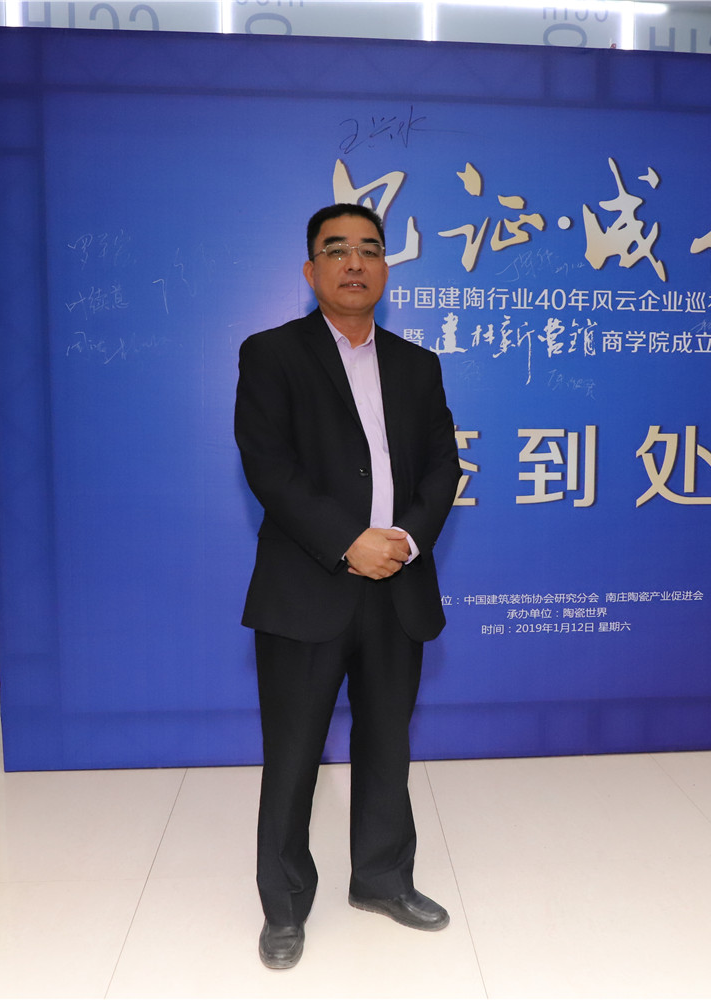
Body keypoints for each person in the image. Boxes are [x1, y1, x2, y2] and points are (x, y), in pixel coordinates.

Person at [234, 203, 461, 969]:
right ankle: (284, 907)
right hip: (307, 587)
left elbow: (443, 467)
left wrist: (405, 540)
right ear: (311, 270)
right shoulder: (272, 355)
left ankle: (383, 879)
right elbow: (269, 468)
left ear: (386, 268)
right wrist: (348, 541)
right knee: (293, 753)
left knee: (387, 742)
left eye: (370, 249)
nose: (355, 262)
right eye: (337, 250)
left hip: (398, 584)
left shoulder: (418, 365)